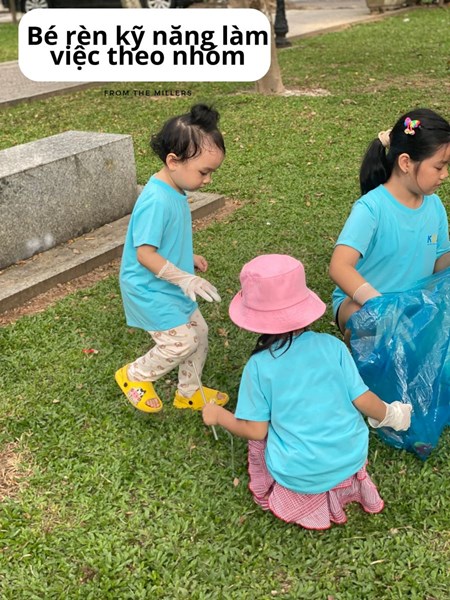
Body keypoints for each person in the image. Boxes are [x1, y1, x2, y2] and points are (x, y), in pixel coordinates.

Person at [202, 255, 412, 530]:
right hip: (350, 457)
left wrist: (218, 415)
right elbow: (363, 400)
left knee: (259, 435)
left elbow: (255, 431)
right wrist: (393, 414)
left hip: (300, 473)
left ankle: (298, 500)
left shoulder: (258, 366)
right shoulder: (333, 346)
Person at [115, 104, 229, 413]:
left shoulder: (175, 190)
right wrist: (185, 277)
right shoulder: (156, 200)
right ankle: (134, 376)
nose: (207, 180)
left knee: (200, 332)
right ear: (173, 161)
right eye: (204, 172)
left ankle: (189, 391)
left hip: (170, 283)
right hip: (148, 289)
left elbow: (162, 241)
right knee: (181, 342)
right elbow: (144, 254)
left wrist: (186, 257)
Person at [329, 108, 450, 341]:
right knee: (366, 321)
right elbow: (339, 267)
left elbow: (439, 263)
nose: (444, 174)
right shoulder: (372, 209)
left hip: (413, 304)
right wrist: (380, 306)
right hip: (368, 303)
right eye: (438, 167)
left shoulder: (434, 206)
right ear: (405, 162)